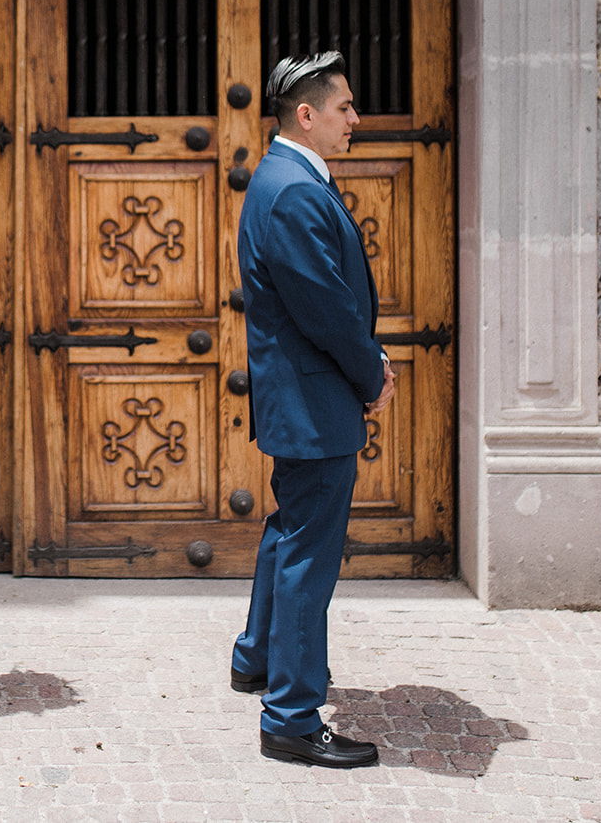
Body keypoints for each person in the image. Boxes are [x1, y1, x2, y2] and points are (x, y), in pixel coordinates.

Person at [228, 51, 395, 769]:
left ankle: (256, 658)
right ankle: (292, 718)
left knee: (288, 531)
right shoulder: (294, 190)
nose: (355, 119)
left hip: (300, 396)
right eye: (345, 107)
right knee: (307, 556)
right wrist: (371, 375)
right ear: (307, 113)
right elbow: (324, 309)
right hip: (314, 396)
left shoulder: (284, 178)